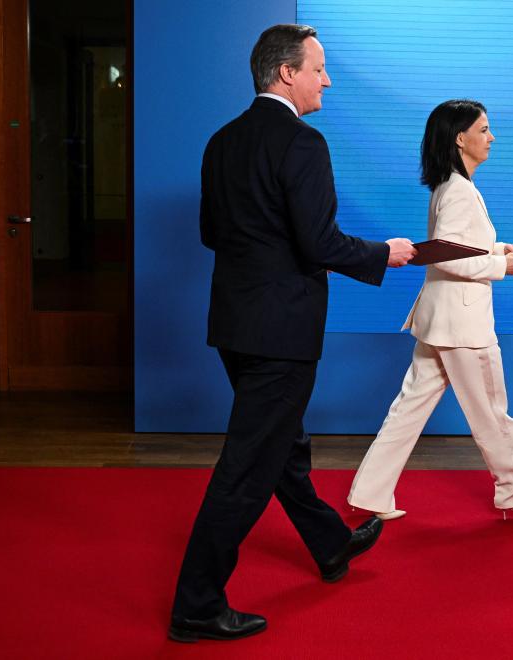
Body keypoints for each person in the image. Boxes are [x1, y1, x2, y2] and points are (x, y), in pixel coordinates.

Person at [168, 24, 417, 643]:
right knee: (248, 466)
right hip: (281, 329)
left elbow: (210, 232)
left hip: (235, 323)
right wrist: (382, 253)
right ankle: (196, 606)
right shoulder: (304, 144)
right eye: (319, 69)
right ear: (287, 74)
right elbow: (320, 243)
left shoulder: (221, 141)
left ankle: (330, 544)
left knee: (281, 443)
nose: (326, 80)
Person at [347, 99, 513, 524]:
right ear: (461, 138)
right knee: (493, 414)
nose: (491, 137)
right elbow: (445, 258)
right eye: (484, 129)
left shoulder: (448, 185)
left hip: (438, 320)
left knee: (407, 409)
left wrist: (500, 249)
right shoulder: (460, 191)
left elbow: (453, 248)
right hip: (463, 326)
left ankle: (369, 494)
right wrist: (502, 265)